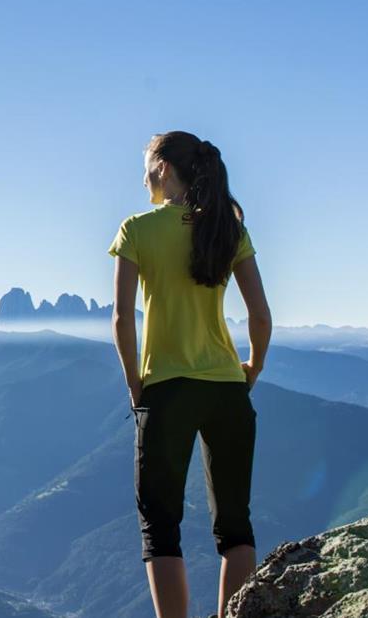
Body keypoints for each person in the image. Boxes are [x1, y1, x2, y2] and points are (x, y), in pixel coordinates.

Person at [109, 131, 272, 618]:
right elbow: (261, 317)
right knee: (236, 528)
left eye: (146, 167)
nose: (143, 178)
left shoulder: (137, 229)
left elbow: (121, 319)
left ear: (161, 169)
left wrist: (135, 385)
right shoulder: (228, 229)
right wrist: (252, 369)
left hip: (166, 389)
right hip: (227, 389)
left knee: (160, 528)